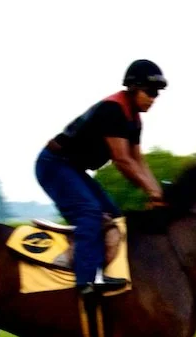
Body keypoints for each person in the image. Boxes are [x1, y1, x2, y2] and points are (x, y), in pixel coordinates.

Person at [35, 59, 168, 295]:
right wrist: (152, 191)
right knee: (91, 213)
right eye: (149, 92)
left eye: (157, 93)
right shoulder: (114, 110)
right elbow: (123, 161)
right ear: (134, 87)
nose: (153, 98)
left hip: (73, 169)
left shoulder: (134, 119)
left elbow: (139, 160)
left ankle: (88, 263)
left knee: (115, 218)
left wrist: (159, 194)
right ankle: (86, 280)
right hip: (53, 165)